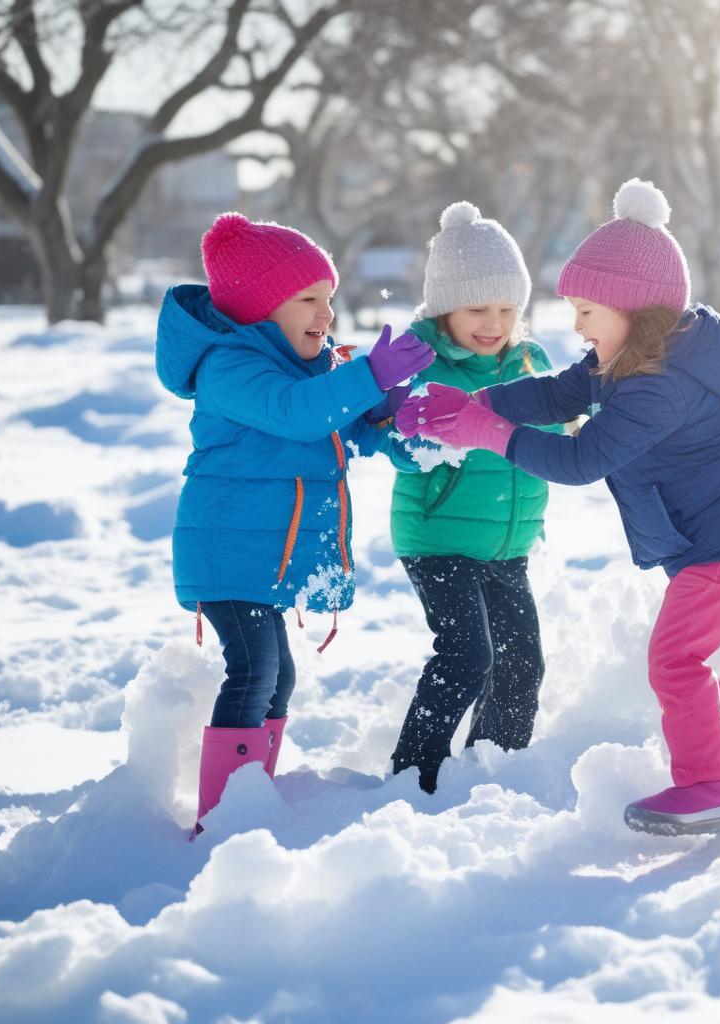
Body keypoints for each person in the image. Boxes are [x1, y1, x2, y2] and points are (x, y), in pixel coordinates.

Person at [397, 180, 720, 835]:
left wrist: (483, 433)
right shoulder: (628, 357)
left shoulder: (659, 385)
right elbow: (558, 395)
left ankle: (711, 786)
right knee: (682, 657)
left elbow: (581, 460)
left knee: (674, 661)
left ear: (633, 310)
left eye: (586, 311)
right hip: (707, 537)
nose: (576, 326)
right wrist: (478, 405)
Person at [155, 212, 434, 836]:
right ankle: (221, 819)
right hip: (230, 553)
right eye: (309, 299)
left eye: (328, 299)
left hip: (264, 556)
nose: (326, 314)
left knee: (277, 675)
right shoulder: (231, 368)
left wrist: (391, 413)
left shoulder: (309, 371)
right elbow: (296, 415)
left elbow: (343, 428)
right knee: (254, 670)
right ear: (260, 309)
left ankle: (248, 795)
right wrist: (366, 377)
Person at [389, 201, 558, 795]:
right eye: (477, 308)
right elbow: (400, 428)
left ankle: (494, 773)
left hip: (507, 545)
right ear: (444, 308)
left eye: (508, 308)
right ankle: (414, 775)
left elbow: (567, 417)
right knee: (467, 657)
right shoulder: (422, 365)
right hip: (439, 540)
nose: (494, 322)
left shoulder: (532, 362)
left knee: (521, 665)